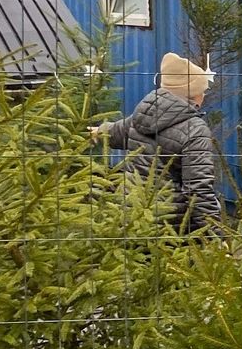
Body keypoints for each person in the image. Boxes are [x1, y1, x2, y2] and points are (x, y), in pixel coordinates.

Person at [93, 52, 223, 233]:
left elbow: (117, 131)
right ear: (193, 94)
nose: (204, 95)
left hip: (132, 214)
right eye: (203, 91)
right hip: (171, 225)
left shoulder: (145, 111)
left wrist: (99, 131)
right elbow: (198, 190)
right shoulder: (195, 129)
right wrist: (216, 235)